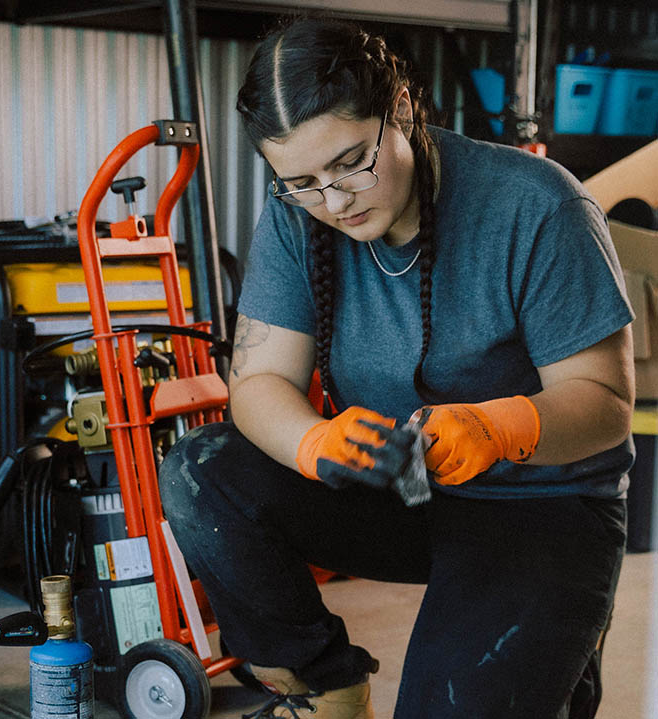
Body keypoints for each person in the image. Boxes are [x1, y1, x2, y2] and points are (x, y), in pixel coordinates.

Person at [158, 17, 635, 719]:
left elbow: (605, 402)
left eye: (352, 160)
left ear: (403, 108)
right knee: (201, 471)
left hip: (541, 506)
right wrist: (311, 441)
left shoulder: (536, 204)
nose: (335, 199)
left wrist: (501, 426)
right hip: (398, 488)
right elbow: (258, 385)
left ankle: (555, 646)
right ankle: (326, 682)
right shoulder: (299, 217)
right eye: (303, 181)